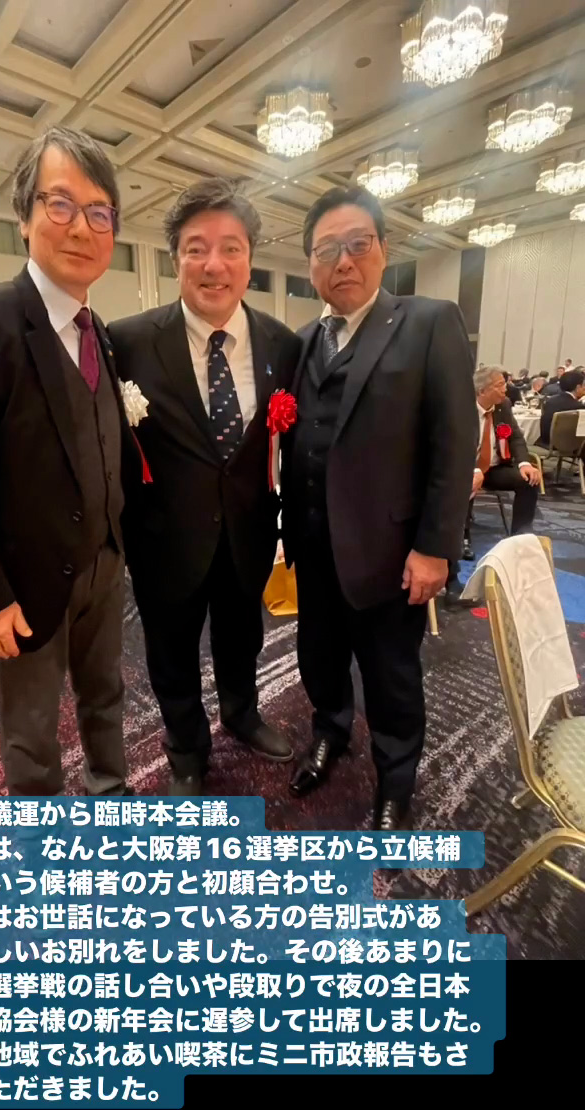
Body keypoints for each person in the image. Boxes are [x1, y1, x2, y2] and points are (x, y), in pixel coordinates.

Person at [0, 126, 140, 797]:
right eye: (60, 204)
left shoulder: (99, 334)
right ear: (24, 217)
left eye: (99, 212)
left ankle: (110, 792)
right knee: (33, 730)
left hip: (103, 564)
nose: (81, 227)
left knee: (106, 694)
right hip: (21, 583)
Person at [280, 185, 477, 830]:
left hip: (391, 553)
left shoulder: (428, 322)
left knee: (391, 675)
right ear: (310, 265)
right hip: (313, 544)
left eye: (357, 244)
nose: (343, 260)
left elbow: (454, 442)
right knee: (318, 656)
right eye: (326, 250)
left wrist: (435, 547)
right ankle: (330, 731)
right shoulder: (303, 341)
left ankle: (396, 780)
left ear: (383, 250)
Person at [108, 179, 301, 796]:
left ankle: (242, 713)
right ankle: (186, 747)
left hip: (249, 528)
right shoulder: (128, 340)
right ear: (176, 259)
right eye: (196, 248)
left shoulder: (283, 344)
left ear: (250, 258)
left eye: (230, 248)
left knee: (243, 635)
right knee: (169, 651)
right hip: (163, 537)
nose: (213, 264)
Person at [445, 366, 541, 605]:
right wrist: (473, 470)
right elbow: (452, 445)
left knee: (529, 481)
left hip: (496, 467)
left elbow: (513, 436)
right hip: (465, 468)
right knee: (463, 486)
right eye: (499, 385)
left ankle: (520, 535)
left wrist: (524, 463)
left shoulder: (502, 407)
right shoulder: (461, 408)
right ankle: (462, 538)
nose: (505, 389)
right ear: (482, 390)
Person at [539, 368, 585, 446]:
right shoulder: (578, 407)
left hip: (545, 442)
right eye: (583, 385)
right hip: (566, 446)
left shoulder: (550, 401)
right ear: (578, 388)